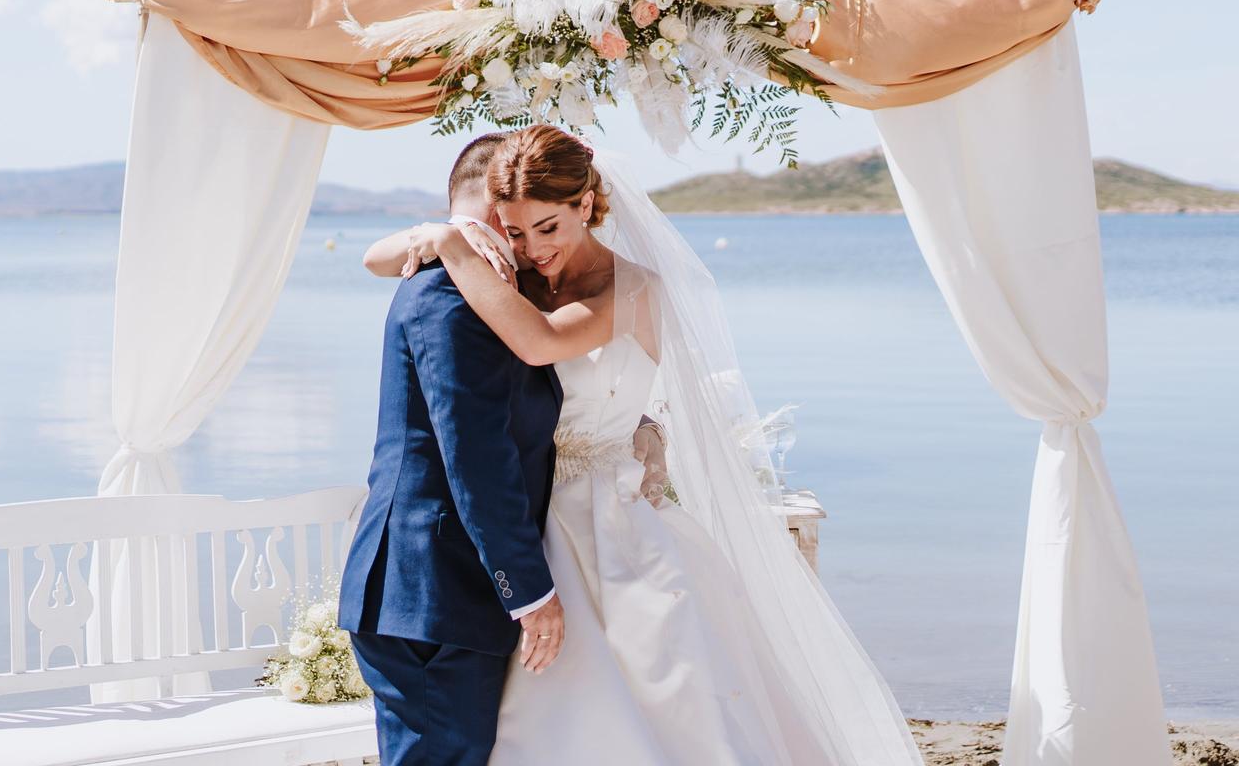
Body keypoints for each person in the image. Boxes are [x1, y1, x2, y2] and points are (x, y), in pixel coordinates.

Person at [374, 124, 926, 765]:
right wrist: (441, 234)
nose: (532, 248)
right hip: (538, 517)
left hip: (613, 518)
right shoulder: (512, 276)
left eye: (548, 227)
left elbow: (543, 346)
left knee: (665, 687)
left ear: (585, 205)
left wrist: (451, 244)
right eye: (517, 232)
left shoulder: (630, 288)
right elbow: (381, 263)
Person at [335, 134, 567, 766]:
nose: (525, 241)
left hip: (437, 600)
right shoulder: (454, 298)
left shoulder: (471, 284)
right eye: (518, 223)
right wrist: (531, 594)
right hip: (436, 599)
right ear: (498, 213)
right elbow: (476, 460)